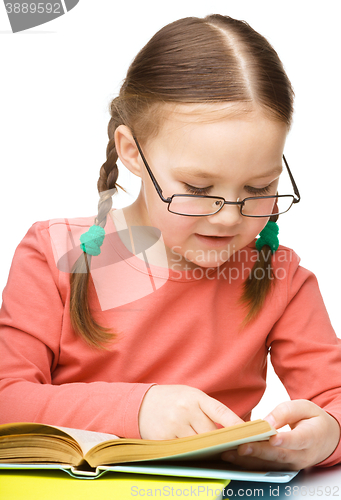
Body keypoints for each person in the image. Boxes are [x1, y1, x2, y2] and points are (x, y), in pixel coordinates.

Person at [0, 14, 340, 472]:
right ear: (132, 152)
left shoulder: (278, 275)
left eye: (259, 188)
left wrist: (326, 435)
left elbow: (333, 399)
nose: (229, 217)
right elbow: (7, 398)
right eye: (198, 189)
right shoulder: (54, 254)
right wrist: (140, 409)